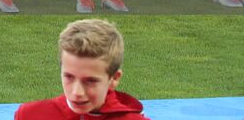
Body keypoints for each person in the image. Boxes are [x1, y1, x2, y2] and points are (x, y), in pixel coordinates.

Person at [14, 20, 150, 119]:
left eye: (90, 81)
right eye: (69, 77)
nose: (76, 92)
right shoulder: (30, 115)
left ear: (114, 78)